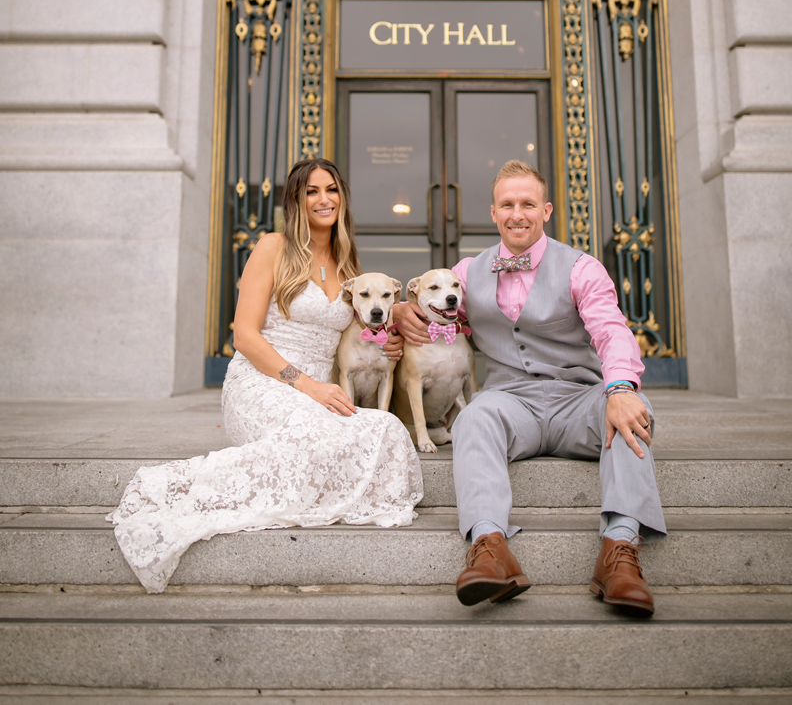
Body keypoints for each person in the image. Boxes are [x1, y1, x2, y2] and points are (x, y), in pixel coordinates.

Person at [110, 158, 422, 593]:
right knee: (308, 437)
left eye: (331, 189)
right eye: (311, 191)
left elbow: (369, 325)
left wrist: (392, 331)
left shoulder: (349, 265)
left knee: (387, 429)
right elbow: (244, 335)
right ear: (295, 201)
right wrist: (306, 384)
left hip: (322, 390)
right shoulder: (273, 247)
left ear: (342, 198)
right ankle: (188, 488)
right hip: (264, 380)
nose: (323, 199)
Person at [393, 159, 665, 614]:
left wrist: (619, 389)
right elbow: (435, 309)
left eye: (527, 204)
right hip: (510, 402)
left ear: (547, 211)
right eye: (507, 205)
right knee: (474, 417)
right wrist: (404, 310)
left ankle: (619, 553)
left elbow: (611, 330)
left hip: (579, 397)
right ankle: (489, 546)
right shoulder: (467, 272)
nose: (517, 213)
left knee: (635, 412)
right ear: (494, 214)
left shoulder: (581, 268)